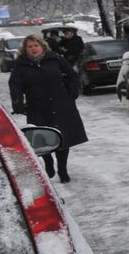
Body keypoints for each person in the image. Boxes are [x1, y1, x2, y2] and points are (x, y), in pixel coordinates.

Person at [9, 34, 88, 182]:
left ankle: (63, 169)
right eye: (30, 46)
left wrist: (72, 93)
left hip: (61, 105)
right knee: (42, 137)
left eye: (36, 45)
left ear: (42, 46)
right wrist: (18, 104)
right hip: (37, 107)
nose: (33, 49)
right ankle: (48, 162)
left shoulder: (55, 59)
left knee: (63, 137)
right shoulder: (21, 65)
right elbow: (15, 85)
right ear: (25, 49)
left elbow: (72, 75)